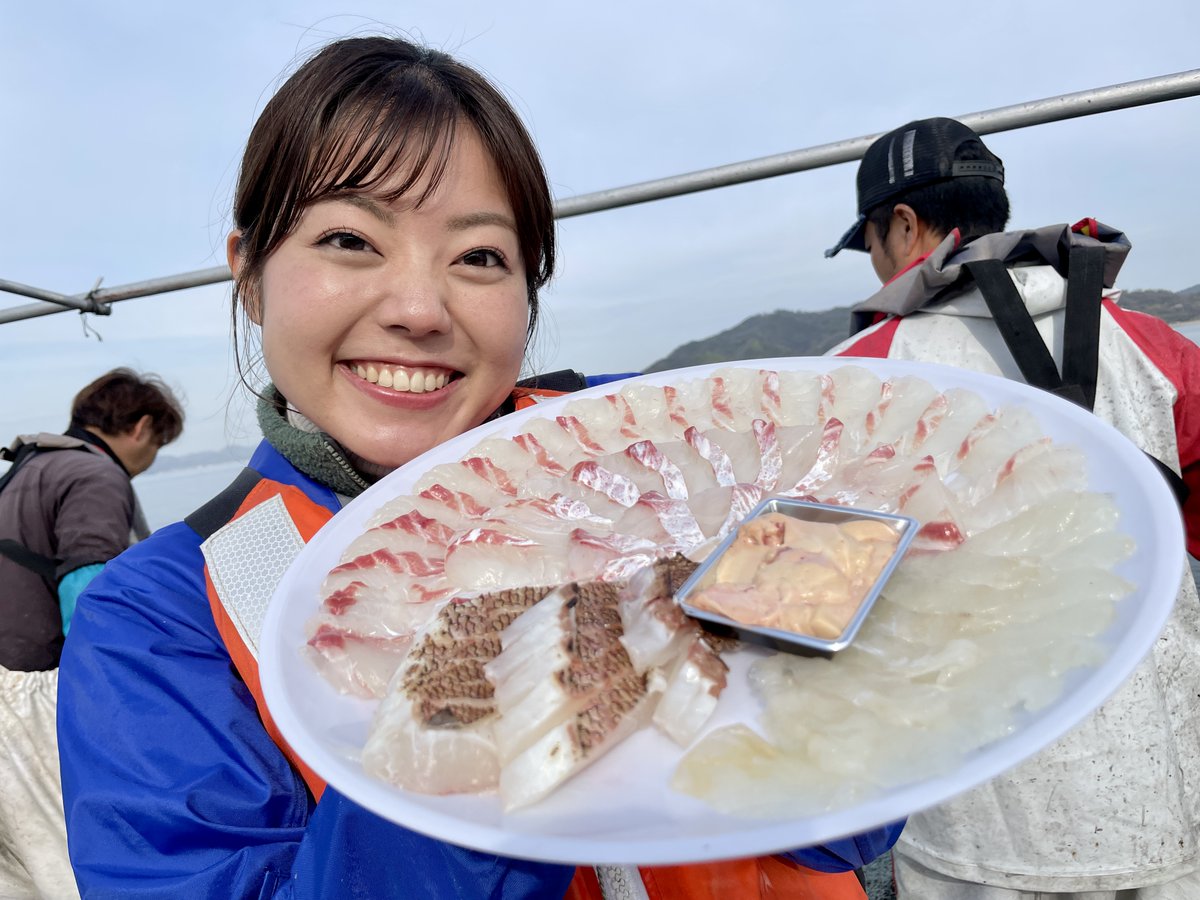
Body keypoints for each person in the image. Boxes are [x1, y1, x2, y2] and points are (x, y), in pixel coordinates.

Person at [56, 35, 900, 899]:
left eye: (480, 257)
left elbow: (847, 824)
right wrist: (487, 710)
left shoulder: (652, 446)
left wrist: (833, 630)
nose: (421, 309)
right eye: (349, 239)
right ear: (250, 277)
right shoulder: (158, 619)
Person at [826, 116, 1200, 899]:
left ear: (902, 224)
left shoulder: (857, 376)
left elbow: (806, 597)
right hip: (1167, 809)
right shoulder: (1156, 347)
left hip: (981, 836)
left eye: (869, 244)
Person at [0, 367, 183, 899]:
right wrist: (117, 704)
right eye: (158, 444)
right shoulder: (95, 476)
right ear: (142, 427)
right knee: (73, 866)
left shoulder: (26, 469)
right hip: (27, 699)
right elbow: (89, 588)